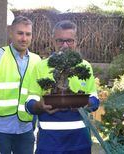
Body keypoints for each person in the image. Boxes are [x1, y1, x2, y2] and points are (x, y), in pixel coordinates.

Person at [25, 20, 100, 153]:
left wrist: (84, 102)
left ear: (76, 41)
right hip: (49, 142)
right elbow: (29, 104)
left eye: (69, 41)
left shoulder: (84, 66)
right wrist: (40, 105)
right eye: (60, 41)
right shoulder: (41, 66)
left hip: (79, 141)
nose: (65, 45)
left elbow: (94, 100)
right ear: (53, 41)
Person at [0, 16, 41, 154]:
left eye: (28, 34)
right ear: (11, 33)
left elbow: (39, 94)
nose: (24, 38)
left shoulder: (37, 61)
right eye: (20, 33)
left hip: (25, 128)